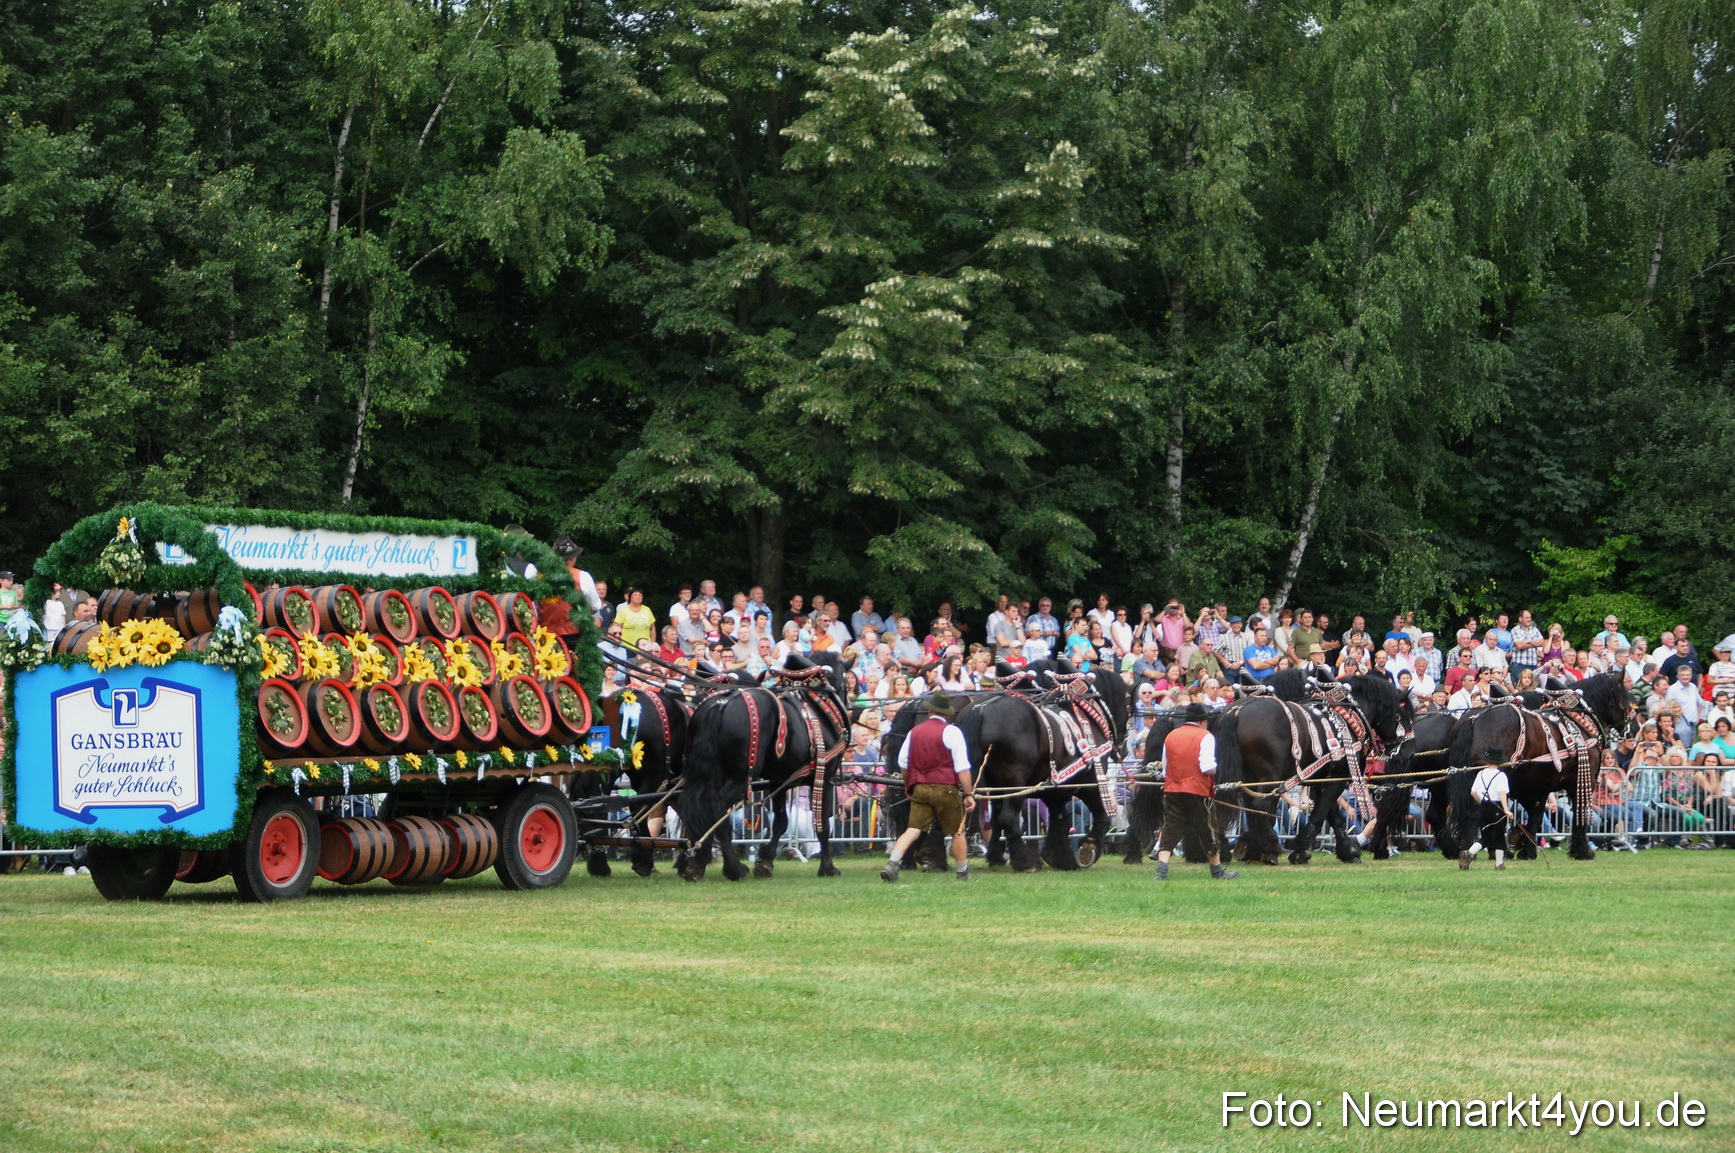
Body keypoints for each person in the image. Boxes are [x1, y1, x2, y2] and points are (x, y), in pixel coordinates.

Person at [882, 692, 976, 882]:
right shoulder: (952, 732)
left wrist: (910, 785)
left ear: (930, 710)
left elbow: (903, 762)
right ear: (946, 713)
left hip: (920, 788)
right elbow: (962, 768)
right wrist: (968, 793)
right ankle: (962, 872)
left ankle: (892, 863)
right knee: (957, 831)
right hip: (945, 789)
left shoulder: (914, 732)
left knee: (913, 829)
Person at [1151, 703, 1238, 880]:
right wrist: (1217, 769)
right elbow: (1207, 767)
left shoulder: (1171, 736)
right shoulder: (1205, 736)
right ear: (1202, 721)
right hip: (1197, 790)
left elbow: (1165, 767)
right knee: (1208, 830)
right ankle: (1217, 872)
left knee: (1171, 828)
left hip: (1173, 789)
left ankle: (1161, 872)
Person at [1461, 762, 1514, 870]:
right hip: (1497, 806)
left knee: (1485, 836)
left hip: (1484, 806)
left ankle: (1469, 852)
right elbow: (1502, 793)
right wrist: (1506, 809)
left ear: (1487, 761)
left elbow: (1473, 792)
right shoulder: (1501, 775)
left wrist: (1481, 803)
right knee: (1499, 836)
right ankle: (1499, 864)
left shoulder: (1480, 773)